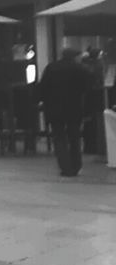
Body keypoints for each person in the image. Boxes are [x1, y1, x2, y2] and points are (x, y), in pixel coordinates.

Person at [38, 48, 96, 177]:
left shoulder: (51, 68)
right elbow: (88, 86)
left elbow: (43, 87)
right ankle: (76, 166)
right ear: (74, 56)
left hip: (54, 108)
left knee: (59, 138)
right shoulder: (79, 69)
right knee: (74, 137)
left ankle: (65, 167)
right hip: (74, 108)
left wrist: (42, 101)